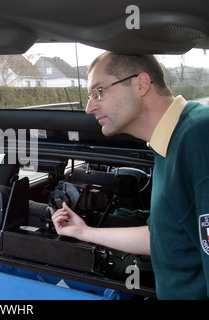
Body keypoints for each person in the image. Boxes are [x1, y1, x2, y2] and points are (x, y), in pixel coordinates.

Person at [50, 52, 209, 299]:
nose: (89, 107)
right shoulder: (169, 143)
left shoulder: (199, 135)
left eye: (99, 91)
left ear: (141, 84)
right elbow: (163, 236)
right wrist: (84, 232)